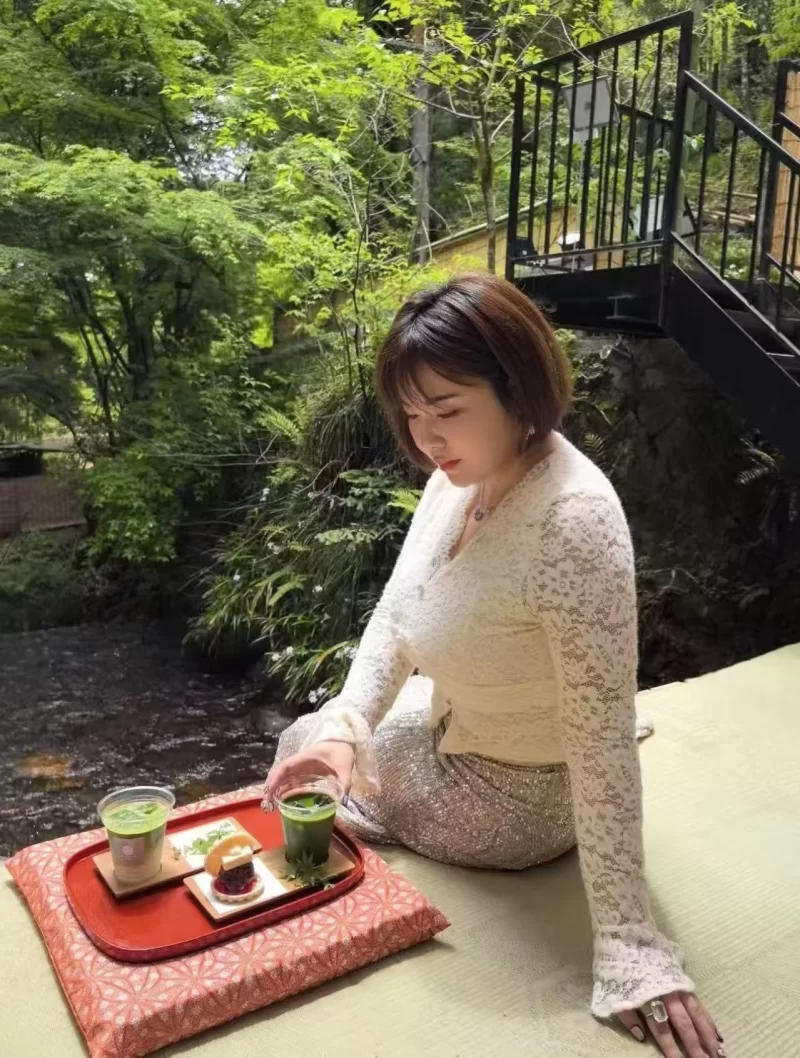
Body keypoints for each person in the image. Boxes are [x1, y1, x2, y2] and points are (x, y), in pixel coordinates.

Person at [264, 273, 724, 1058]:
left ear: (519, 387)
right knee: (321, 742)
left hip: (516, 801)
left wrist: (628, 940)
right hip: (457, 726)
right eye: (411, 414)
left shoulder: (573, 522)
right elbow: (395, 619)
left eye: (446, 411)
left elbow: (603, 742)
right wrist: (347, 729)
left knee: (299, 765)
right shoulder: (459, 478)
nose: (425, 438)